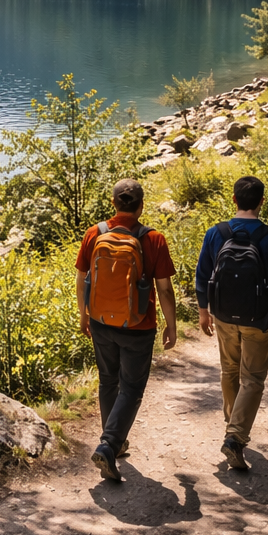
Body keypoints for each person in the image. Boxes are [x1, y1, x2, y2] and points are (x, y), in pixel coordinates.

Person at [75, 179, 178, 482]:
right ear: (141, 205)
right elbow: (164, 289)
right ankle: (109, 444)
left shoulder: (94, 233)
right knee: (131, 387)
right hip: (138, 325)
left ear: (113, 203)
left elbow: (82, 278)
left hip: (101, 321)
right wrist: (171, 326)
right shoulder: (154, 239)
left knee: (108, 381)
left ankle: (113, 442)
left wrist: (84, 315)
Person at [194, 175, 268, 470]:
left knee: (229, 370)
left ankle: (232, 423)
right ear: (262, 202)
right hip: (259, 318)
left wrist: (204, 312)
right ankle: (235, 436)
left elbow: (202, 277)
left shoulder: (216, 233)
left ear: (234, 200)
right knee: (252, 379)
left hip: (223, 315)